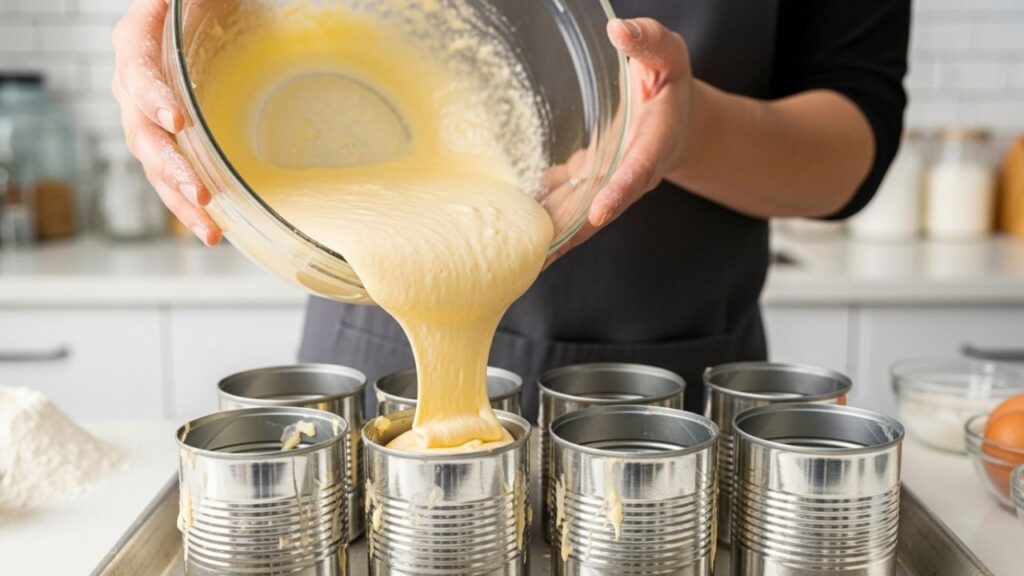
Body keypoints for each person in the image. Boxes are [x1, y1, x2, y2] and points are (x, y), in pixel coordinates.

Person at [112, 0, 909, 416]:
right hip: (377, 339)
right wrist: (170, 37)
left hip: (667, 385)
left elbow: (852, 138)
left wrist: (689, 126)